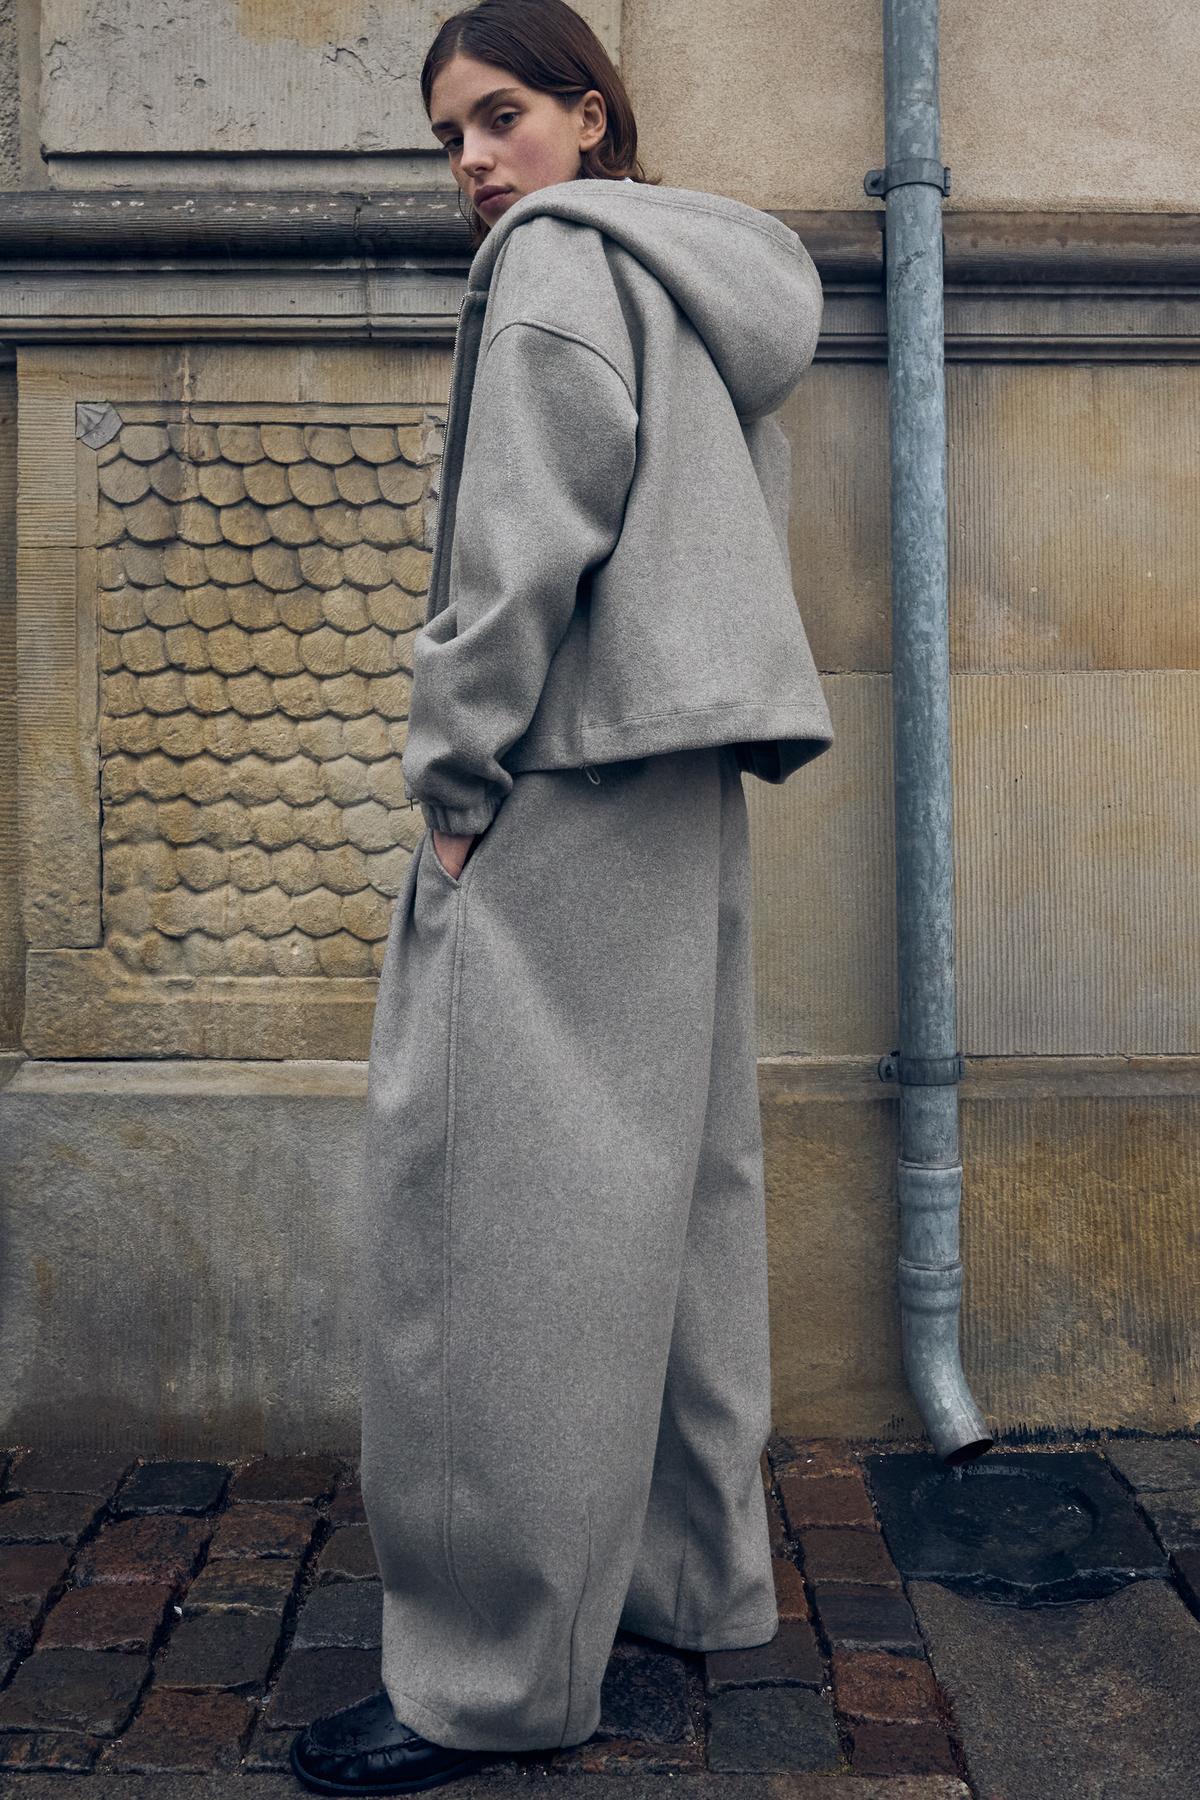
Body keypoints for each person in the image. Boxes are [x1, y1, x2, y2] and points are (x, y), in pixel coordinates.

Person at [290, 0, 833, 1791]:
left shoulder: (547, 265)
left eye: (502, 115)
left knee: (490, 1229)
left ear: (591, 114)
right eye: (450, 135)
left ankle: (486, 1680)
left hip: (557, 788)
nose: (473, 161)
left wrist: (455, 785)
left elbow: (515, 559)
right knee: (671, 1197)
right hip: (679, 789)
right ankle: (689, 1579)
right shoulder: (694, 275)